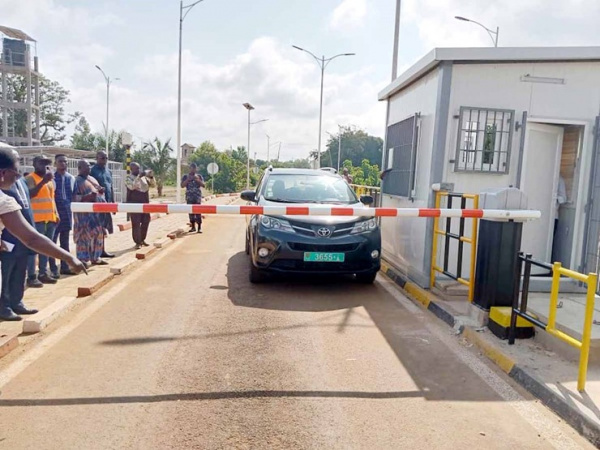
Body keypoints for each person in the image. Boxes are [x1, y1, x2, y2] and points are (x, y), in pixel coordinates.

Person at [0, 148, 86, 321]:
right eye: (15, 173)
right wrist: (69, 258)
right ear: (2, 173)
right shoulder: (3, 199)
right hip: (16, 235)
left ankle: (16, 302)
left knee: (18, 271)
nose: (17, 178)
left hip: (24, 232)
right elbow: (31, 238)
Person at [0, 151, 38, 320]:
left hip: (23, 236)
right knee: (6, 273)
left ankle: (17, 302)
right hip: (7, 237)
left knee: (20, 270)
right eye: (16, 161)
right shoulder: (3, 186)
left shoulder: (21, 181)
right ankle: (5, 307)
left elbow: (26, 207)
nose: (18, 164)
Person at [25, 155, 60, 285]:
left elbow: (52, 198)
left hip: (49, 219)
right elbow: (30, 194)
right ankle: (32, 276)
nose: (44, 165)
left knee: (46, 247)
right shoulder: (30, 178)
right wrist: (43, 182)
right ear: (34, 164)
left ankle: (43, 273)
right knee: (34, 249)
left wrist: (55, 213)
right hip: (36, 219)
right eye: (41, 163)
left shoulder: (50, 179)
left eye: (46, 163)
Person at [73, 160, 108, 267]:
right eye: (86, 166)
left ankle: (96, 257)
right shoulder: (76, 181)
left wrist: (101, 192)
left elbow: (99, 193)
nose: (88, 168)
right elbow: (74, 198)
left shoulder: (92, 179)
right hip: (83, 216)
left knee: (98, 235)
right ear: (79, 168)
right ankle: (82, 259)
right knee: (83, 237)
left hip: (96, 215)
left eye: (89, 166)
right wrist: (86, 197)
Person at [49, 154, 76, 277]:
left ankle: (64, 267)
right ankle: (53, 269)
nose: (63, 164)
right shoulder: (51, 178)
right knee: (52, 242)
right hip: (54, 213)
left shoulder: (71, 178)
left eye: (65, 161)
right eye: (60, 161)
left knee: (64, 242)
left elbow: (73, 196)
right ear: (55, 163)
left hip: (67, 213)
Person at [90, 151, 115, 258]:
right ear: (97, 158)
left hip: (107, 203)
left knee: (104, 227)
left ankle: (102, 250)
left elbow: (111, 187)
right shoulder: (92, 171)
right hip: (97, 203)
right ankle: (95, 252)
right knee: (96, 228)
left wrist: (112, 203)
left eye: (106, 158)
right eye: (102, 158)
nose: (104, 160)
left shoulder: (108, 171)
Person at [126, 162, 156, 249]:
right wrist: (139, 177)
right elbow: (132, 187)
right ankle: (137, 242)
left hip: (145, 202)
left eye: (139, 168)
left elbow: (153, 185)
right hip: (134, 204)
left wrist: (150, 177)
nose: (138, 170)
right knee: (136, 223)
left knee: (146, 221)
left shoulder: (144, 178)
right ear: (131, 169)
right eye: (136, 169)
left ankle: (142, 239)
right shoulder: (128, 179)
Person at [181, 163, 205, 233]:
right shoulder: (185, 176)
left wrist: (197, 180)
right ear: (190, 169)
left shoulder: (199, 176)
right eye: (192, 168)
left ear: (196, 169)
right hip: (189, 196)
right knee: (190, 212)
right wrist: (188, 180)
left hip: (197, 196)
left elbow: (203, 185)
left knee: (198, 211)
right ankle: (193, 227)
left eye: (194, 168)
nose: (193, 170)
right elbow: (182, 185)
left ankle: (199, 227)